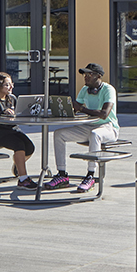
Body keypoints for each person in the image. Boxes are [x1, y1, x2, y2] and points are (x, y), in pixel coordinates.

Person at [47, 63, 122, 193]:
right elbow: (76, 109)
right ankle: (62, 174)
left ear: (99, 76)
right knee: (59, 134)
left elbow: (104, 114)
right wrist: (64, 110)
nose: (86, 77)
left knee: (95, 134)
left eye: (89, 74)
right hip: (89, 126)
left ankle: (90, 176)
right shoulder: (84, 90)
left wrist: (81, 108)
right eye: (84, 74)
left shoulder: (108, 90)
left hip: (108, 128)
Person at [0, 71, 38, 189]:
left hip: (11, 129)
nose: (11, 87)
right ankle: (23, 179)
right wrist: (3, 115)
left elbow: (17, 116)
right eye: (7, 85)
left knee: (29, 146)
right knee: (19, 144)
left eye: (12, 84)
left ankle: (18, 165)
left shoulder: (12, 99)